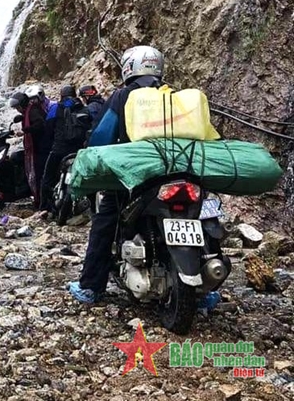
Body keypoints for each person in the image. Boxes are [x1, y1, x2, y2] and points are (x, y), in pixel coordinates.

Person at [66, 46, 220, 312]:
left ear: (129, 67)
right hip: (183, 172)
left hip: (136, 180)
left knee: (105, 220)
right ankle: (207, 292)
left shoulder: (123, 96)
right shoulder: (176, 96)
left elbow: (101, 137)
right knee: (204, 218)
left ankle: (91, 287)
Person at [40, 84, 93, 211]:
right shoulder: (84, 108)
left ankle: (44, 208)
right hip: (78, 150)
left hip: (59, 149)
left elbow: (47, 129)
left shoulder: (56, 108)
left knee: (47, 178)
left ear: (61, 95)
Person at [22, 84, 50, 209]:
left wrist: (27, 129)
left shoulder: (33, 110)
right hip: (41, 146)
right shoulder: (37, 108)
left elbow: (40, 125)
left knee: (40, 174)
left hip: (40, 147)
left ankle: (41, 202)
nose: (32, 101)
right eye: (30, 99)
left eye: (34, 99)